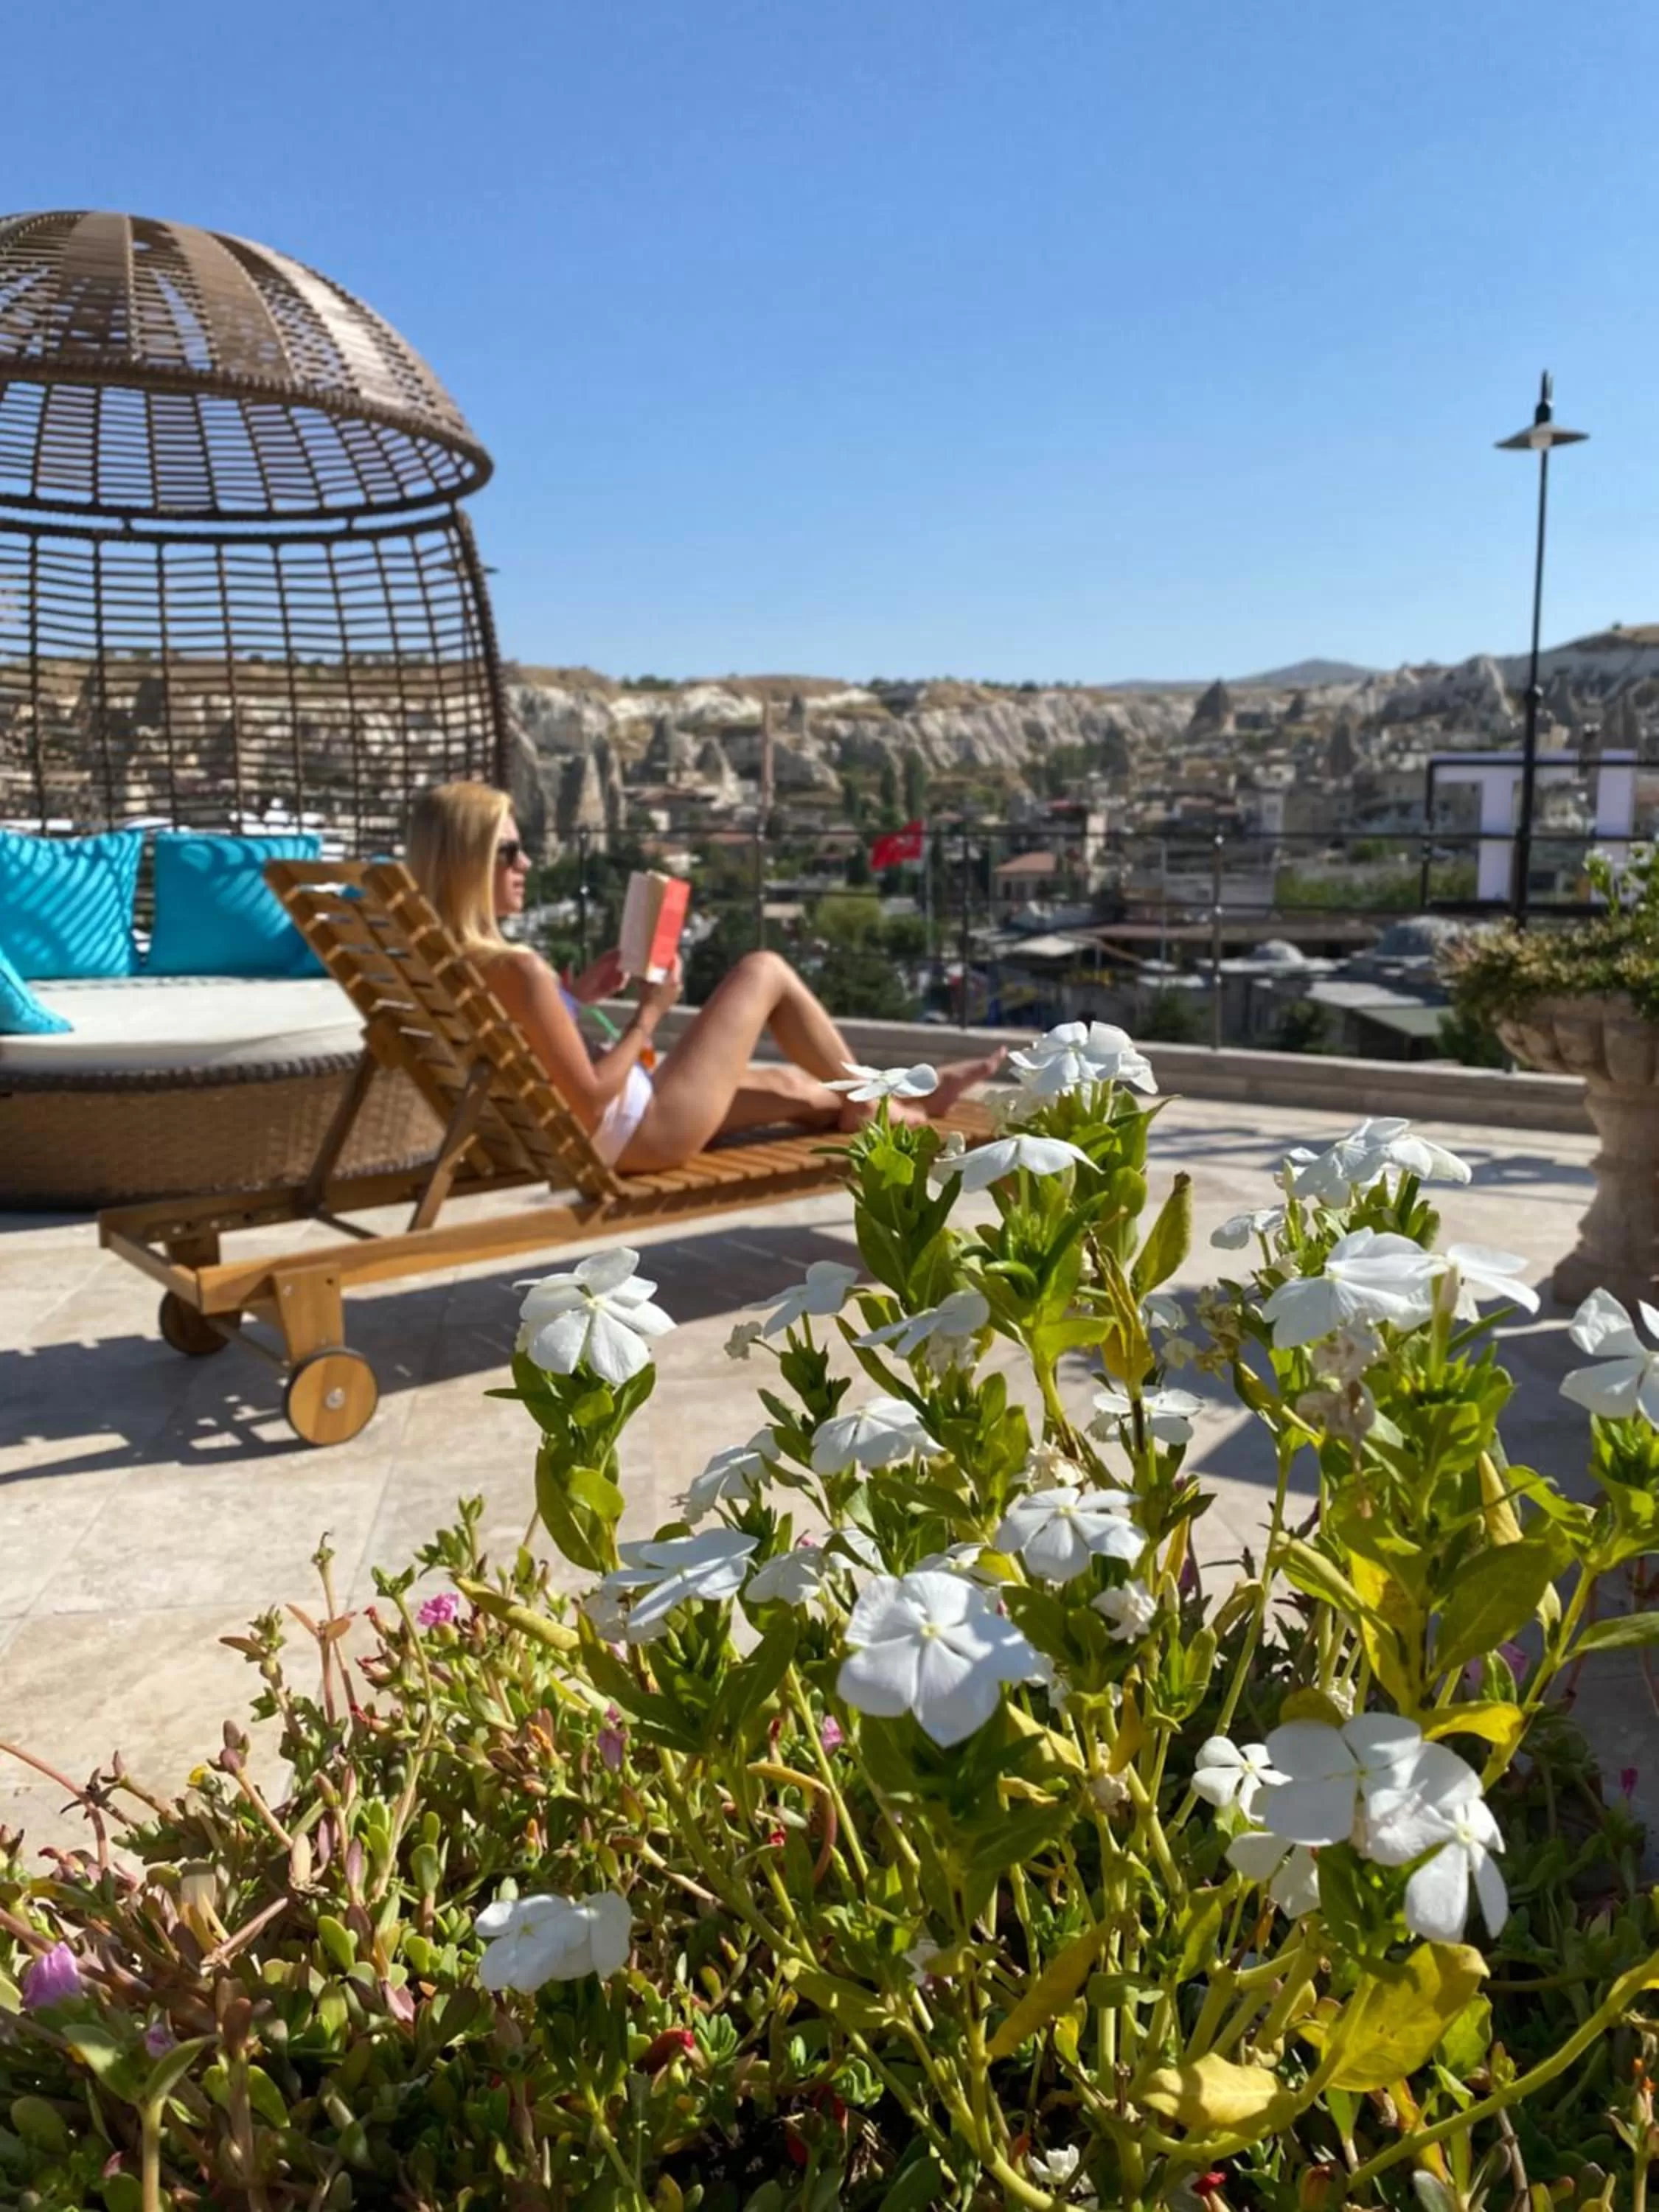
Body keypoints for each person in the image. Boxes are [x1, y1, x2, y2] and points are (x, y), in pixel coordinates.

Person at [404, 781, 1003, 1174]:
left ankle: (900, 1098)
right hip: (639, 1131)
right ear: (468, 864)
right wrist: (650, 1011)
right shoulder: (517, 968)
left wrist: (579, 996)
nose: (525, 864)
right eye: (508, 852)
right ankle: (881, 1105)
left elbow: (538, 1049)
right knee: (763, 970)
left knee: (795, 1087)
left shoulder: (444, 960)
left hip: (620, 1124)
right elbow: (587, 1099)